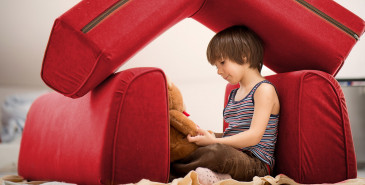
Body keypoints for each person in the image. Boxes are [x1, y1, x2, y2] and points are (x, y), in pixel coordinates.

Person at [170, 25, 280, 184]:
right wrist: (207, 136)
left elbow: (254, 136)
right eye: (216, 66)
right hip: (234, 154)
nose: (219, 71)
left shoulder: (264, 90)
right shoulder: (234, 93)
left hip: (256, 164)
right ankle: (215, 177)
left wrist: (215, 141)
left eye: (222, 62)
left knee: (217, 152)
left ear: (244, 55)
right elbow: (232, 134)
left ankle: (172, 173)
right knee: (193, 144)